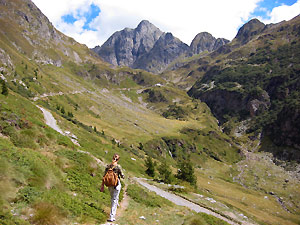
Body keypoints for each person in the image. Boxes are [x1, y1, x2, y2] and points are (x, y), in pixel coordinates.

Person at [100, 153, 125, 222]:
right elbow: (123, 175)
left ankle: (116, 203)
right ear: (118, 159)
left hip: (110, 185)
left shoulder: (108, 166)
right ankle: (112, 216)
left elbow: (104, 177)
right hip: (116, 184)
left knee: (112, 198)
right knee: (114, 200)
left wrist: (102, 186)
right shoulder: (118, 167)